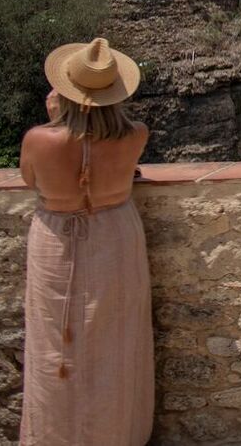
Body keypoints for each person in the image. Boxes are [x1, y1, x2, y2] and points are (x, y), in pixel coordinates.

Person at [20, 38, 152, 446]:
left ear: (66, 91)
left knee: (54, 344)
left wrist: (54, 118)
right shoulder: (136, 135)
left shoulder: (40, 139)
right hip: (115, 236)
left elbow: (31, 181)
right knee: (117, 341)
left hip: (56, 238)